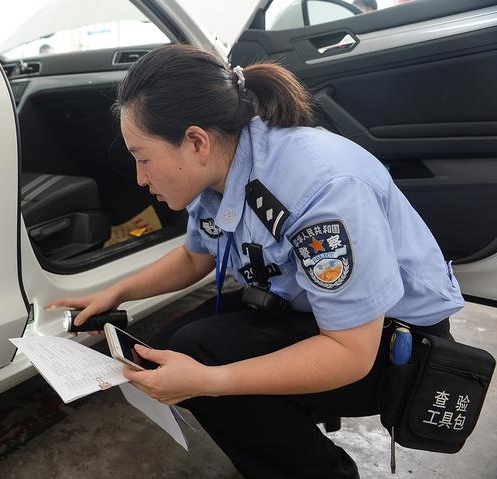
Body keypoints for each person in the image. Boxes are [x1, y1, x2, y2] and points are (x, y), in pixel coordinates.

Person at [45, 44, 464, 478]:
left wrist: (208, 382)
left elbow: (349, 353)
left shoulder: (322, 192)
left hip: (395, 345)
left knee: (204, 372)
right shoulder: (222, 164)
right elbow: (195, 255)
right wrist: (116, 291)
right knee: (164, 352)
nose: (141, 178)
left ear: (195, 142)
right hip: (311, 311)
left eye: (144, 158)